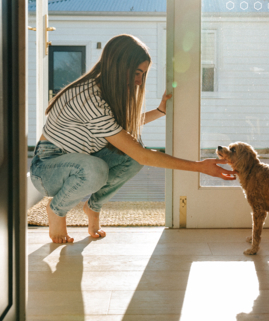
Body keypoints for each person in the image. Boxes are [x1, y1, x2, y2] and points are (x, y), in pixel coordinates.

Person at [30, 34, 236, 243]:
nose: (139, 81)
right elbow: (144, 156)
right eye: (137, 73)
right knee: (98, 168)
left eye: (143, 75)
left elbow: (121, 130)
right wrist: (200, 167)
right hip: (48, 169)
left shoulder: (104, 91)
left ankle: (93, 207)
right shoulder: (90, 98)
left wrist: (159, 111)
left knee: (130, 157)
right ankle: (56, 209)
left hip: (80, 160)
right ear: (118, 66)